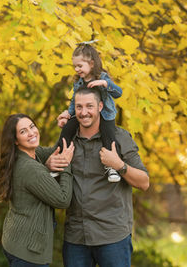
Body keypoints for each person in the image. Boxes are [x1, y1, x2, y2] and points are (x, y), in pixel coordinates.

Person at [47, 87, 149, 267]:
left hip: (112, 237)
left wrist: (119, 165)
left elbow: (144, 182)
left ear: (101, 106)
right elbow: (52, 181)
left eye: (89, 106)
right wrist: (49, 165)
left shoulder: (119, 137)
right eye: (79, 107)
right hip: (76, 237)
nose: (84, 112)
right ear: (73, 109)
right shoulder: (67, 139)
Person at [0, 113, 74, 266]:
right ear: (16, 140)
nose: (31, 133)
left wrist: (68, 125)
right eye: (23, 131)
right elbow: (63, 199)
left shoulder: (31, 154)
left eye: (32, 126)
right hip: (27, 251)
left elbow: (57, 149)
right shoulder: (29, 167)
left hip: (15, 239)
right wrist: (65, 163)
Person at [57, 40, 123, 182]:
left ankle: (112, 168)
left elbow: (119, 93)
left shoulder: (102, 78)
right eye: (75, 66)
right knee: (67, 129)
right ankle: (59, 159)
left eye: (80, 66)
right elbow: (75, 100)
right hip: (84, 115)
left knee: (109, 136)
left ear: (91, 64)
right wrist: (69, 113)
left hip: (105, 115)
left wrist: (105, 84)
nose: (77, 69)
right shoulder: (78, 82)